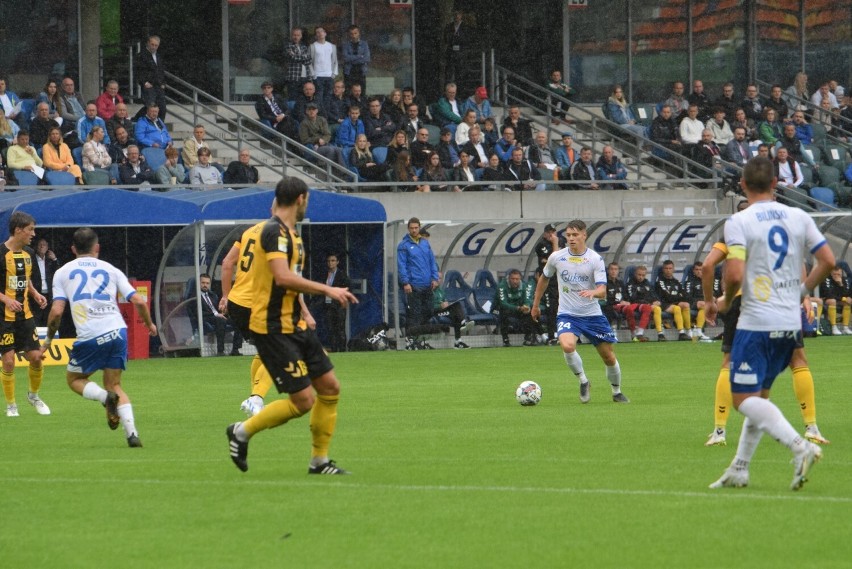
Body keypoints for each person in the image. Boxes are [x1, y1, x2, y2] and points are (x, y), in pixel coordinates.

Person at [705, 156, 833, 490]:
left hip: (756, 321)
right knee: (759, 396)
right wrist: (801, 292)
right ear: (776, 184)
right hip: (789, 323)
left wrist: (728, 299)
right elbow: (828, 261)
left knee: (742, 400)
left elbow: (733, 274)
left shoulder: (739, 220)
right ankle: (740, 467)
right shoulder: (799, 216)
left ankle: (800, 446)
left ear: (743, 185)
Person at [225, 177, 358, 474]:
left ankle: (319, 461)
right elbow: (283, 277)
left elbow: (289, 285)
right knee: (303, 401)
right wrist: (328, 289)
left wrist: (305, 312)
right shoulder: (274, 233)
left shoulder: (291, 234)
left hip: (294, 324)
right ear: (300, 198)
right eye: (306, 199)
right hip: (272, 328)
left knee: (330, 387)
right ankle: (242, 431)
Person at [42, 227, 156, 446]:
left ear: (73, 248)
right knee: (114, 385)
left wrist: (48, 340)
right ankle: (132, 434)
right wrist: (149, 324)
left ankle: (105, 399)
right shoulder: (111, 269)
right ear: (97, 247)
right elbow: (139, 301)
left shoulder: (63, 272)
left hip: (90, 335)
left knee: (74, 379)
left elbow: (56, 312)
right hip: (117, 331)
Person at [531, 219, 629, 404]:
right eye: (568, 235)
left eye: (575, 235)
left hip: (592, 315)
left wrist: (593, 292)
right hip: (567, 313)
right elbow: (544, 279)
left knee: (608, 356)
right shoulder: (557, 257)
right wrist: (535, 305)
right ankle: (584, 381)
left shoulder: (594, 259)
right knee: (567, 346)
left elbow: (602, 291)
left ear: (584, 235)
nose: (571, 239)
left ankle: (616, 391)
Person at [1, 212, 49, 418]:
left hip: (26, 316)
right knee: (9, 361)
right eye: (30, 229)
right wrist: (6, 300)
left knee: (37, 357)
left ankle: (34, 396)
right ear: (18, 230)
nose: (33, 234)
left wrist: (35, 293)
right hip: (4, 318)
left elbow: (25, 279)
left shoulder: (28, 253)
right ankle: (11, 405)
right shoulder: (1, 253)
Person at [397, 217, 440, 350]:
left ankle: (420, 339)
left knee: (428, 311)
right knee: (414, 314)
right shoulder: (403, 245)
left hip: (427, 284)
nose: (414, 230)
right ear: (408, 229)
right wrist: (405, 282)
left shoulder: (425, 243)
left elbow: (432, 261)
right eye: (412, 228)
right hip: (413, 285)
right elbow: (401, 265)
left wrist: (434, 278)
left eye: (416, 228)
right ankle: (410, 340)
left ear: (419, 227)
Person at [195, 273, 242, 356]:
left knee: (239, 320)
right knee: (220, 320)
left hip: (218, 316)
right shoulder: (195, 297)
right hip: (206, 318)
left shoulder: (213, 295)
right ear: (198, 283)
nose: (205, 285)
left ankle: (235, 349)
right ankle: (220, 351)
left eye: (207, 283)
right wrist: (216, 314)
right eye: (203, 283)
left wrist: (223, 310)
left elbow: (218, 308)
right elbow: (197, 312)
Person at [299, 103, 347, 170]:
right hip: (312, 147)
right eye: (309, 110)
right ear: (306, 112)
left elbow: (327, 134)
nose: (312, 111)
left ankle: (344, 172)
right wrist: (317, 140)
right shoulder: (304, 123)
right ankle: (326, 170)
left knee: (339, 150)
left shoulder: (322, 120)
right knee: (330, 150)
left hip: (323, 144)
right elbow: (304, 139)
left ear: (317, 111)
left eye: (313, 109)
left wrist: (321, 141)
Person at [496, 269, 538, 347]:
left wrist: (526, 306)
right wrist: (518, 308)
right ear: (509, 279)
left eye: (517, 279)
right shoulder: (502, 286)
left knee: (531, 312)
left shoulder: (524, 286)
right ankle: (505, 340)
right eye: (513, 279)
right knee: (503, 313)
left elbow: (527, 299)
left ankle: (528, 338)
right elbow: (503, 303)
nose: (515, 281)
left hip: (518, 309)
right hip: (499, 309)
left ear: (520, 279)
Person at [654, 259, 692, 341]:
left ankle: (689, 331)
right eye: (666, 268)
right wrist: (679, 296)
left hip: (674, 302)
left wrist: (678, 296)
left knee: (686, 305)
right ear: (663, 270)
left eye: (670, 268)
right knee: (676, 308)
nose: (668, 270)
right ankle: (681, 332)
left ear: (673, 269)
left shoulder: (676, 281)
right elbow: (667, 296)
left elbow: (685, 295)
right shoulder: (660, 282)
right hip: (664, 303)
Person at [319, 254, 350, 353]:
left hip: (339, 305)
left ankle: (342, 350)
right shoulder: (325, 274)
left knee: (340, 328)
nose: (330, 263)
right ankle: (334, 348)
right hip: (328, 305)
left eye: (333, 261)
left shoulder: (342, 275)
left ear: (337, 262)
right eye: (329, 261)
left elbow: (348, 289)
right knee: (330, 328)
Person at [625, 265, 662, 341]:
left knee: (657, 308)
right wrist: (647, 301)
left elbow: (654, 295)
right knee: (647, 307)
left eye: (643, 275)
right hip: (635, 305)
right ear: (635, 274)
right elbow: (632, 297)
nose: (641, 277)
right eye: (639, 275)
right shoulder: (630, 284)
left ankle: (660, 333)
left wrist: (656, 301)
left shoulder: (647, 283)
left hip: (647, 305)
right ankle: (639, 333)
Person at [136, 35, 168, 121]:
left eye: (156, 45)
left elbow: (161, 71)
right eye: (152, 44)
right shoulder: (141, 55)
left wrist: (163, 83)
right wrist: (144, 82)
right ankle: (137, 119)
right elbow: (138, 71)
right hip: (149, 86)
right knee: (150, 107)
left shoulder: (158, 56)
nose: (154, 47)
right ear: (148, 43)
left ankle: (160, 127)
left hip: (159, 86)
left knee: (162, 108)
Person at [682, 261, 714, 342]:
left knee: (707, 304)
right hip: (692, 302)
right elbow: (688, 297)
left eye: (701, 269)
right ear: (693, 271)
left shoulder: (707, 281)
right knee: (704, 304)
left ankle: (699, 330)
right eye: (697, 269)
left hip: (704, 303)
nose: (699, 271)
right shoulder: (690, 281)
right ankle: (696, 331)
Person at [603, 262, 636, 337]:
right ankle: (610, 331)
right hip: (610, 306)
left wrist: (627, 302)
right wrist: (619, 302)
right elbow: (604, 299)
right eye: (611, 269)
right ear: (608, 271)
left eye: (616, 269)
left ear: (618, 271)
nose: (613, 271)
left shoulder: (620, 283)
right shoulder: (605, 283)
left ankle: (633, 333)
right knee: (609, 310)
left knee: (629, 308)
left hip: (620, 306)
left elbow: (625, 295)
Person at [32, 238, 59, 327]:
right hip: (36, 293)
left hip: (48, 294)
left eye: (44, 244)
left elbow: (59, 272)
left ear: (48, 247)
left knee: (48, 319)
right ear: (36, 246)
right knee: (36, 319)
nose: (42, 246)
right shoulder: (32, 260)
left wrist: (55, 259)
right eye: (40, 244)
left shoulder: (50, 261)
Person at [308, 26, 337, 107]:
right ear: (315, 35)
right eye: (318, 32)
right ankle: (320, 115)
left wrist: (333, 74)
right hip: (318, 76)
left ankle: (326, 117)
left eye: (322, 31)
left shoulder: (332, 46)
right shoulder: (312, 46)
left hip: (329, 76)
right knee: (319, 97)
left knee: (328, 97)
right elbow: (309, 61)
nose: (320, 33)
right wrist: (313, 75)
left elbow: (335, 60)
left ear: (325, 33)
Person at [821, 266, 852, 336]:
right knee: (832, 301)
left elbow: (847, 293)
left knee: (848, 303)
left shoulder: (845, 280)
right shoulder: (826, 279)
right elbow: (829, 294)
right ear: (831, 273)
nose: (837, 276)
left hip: (838, 299)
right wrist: (843, 298)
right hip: (826, 300)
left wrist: (840, 284)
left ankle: (845, 327)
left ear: (841, 274)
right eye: (835, 274)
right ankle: (834, 327)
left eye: (839, 274)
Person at [342, 25, 370, 90]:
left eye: (355, 33)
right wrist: (360, 56)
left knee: (361, 91)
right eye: (351, 34)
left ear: (359, 33)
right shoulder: (346, 45)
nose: (354, 36)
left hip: (361, 72)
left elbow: (367, 58)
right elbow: (346, 58)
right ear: (349, 34)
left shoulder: (364, 44)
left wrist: (352, 59)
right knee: (348, 92)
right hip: (349, 72)